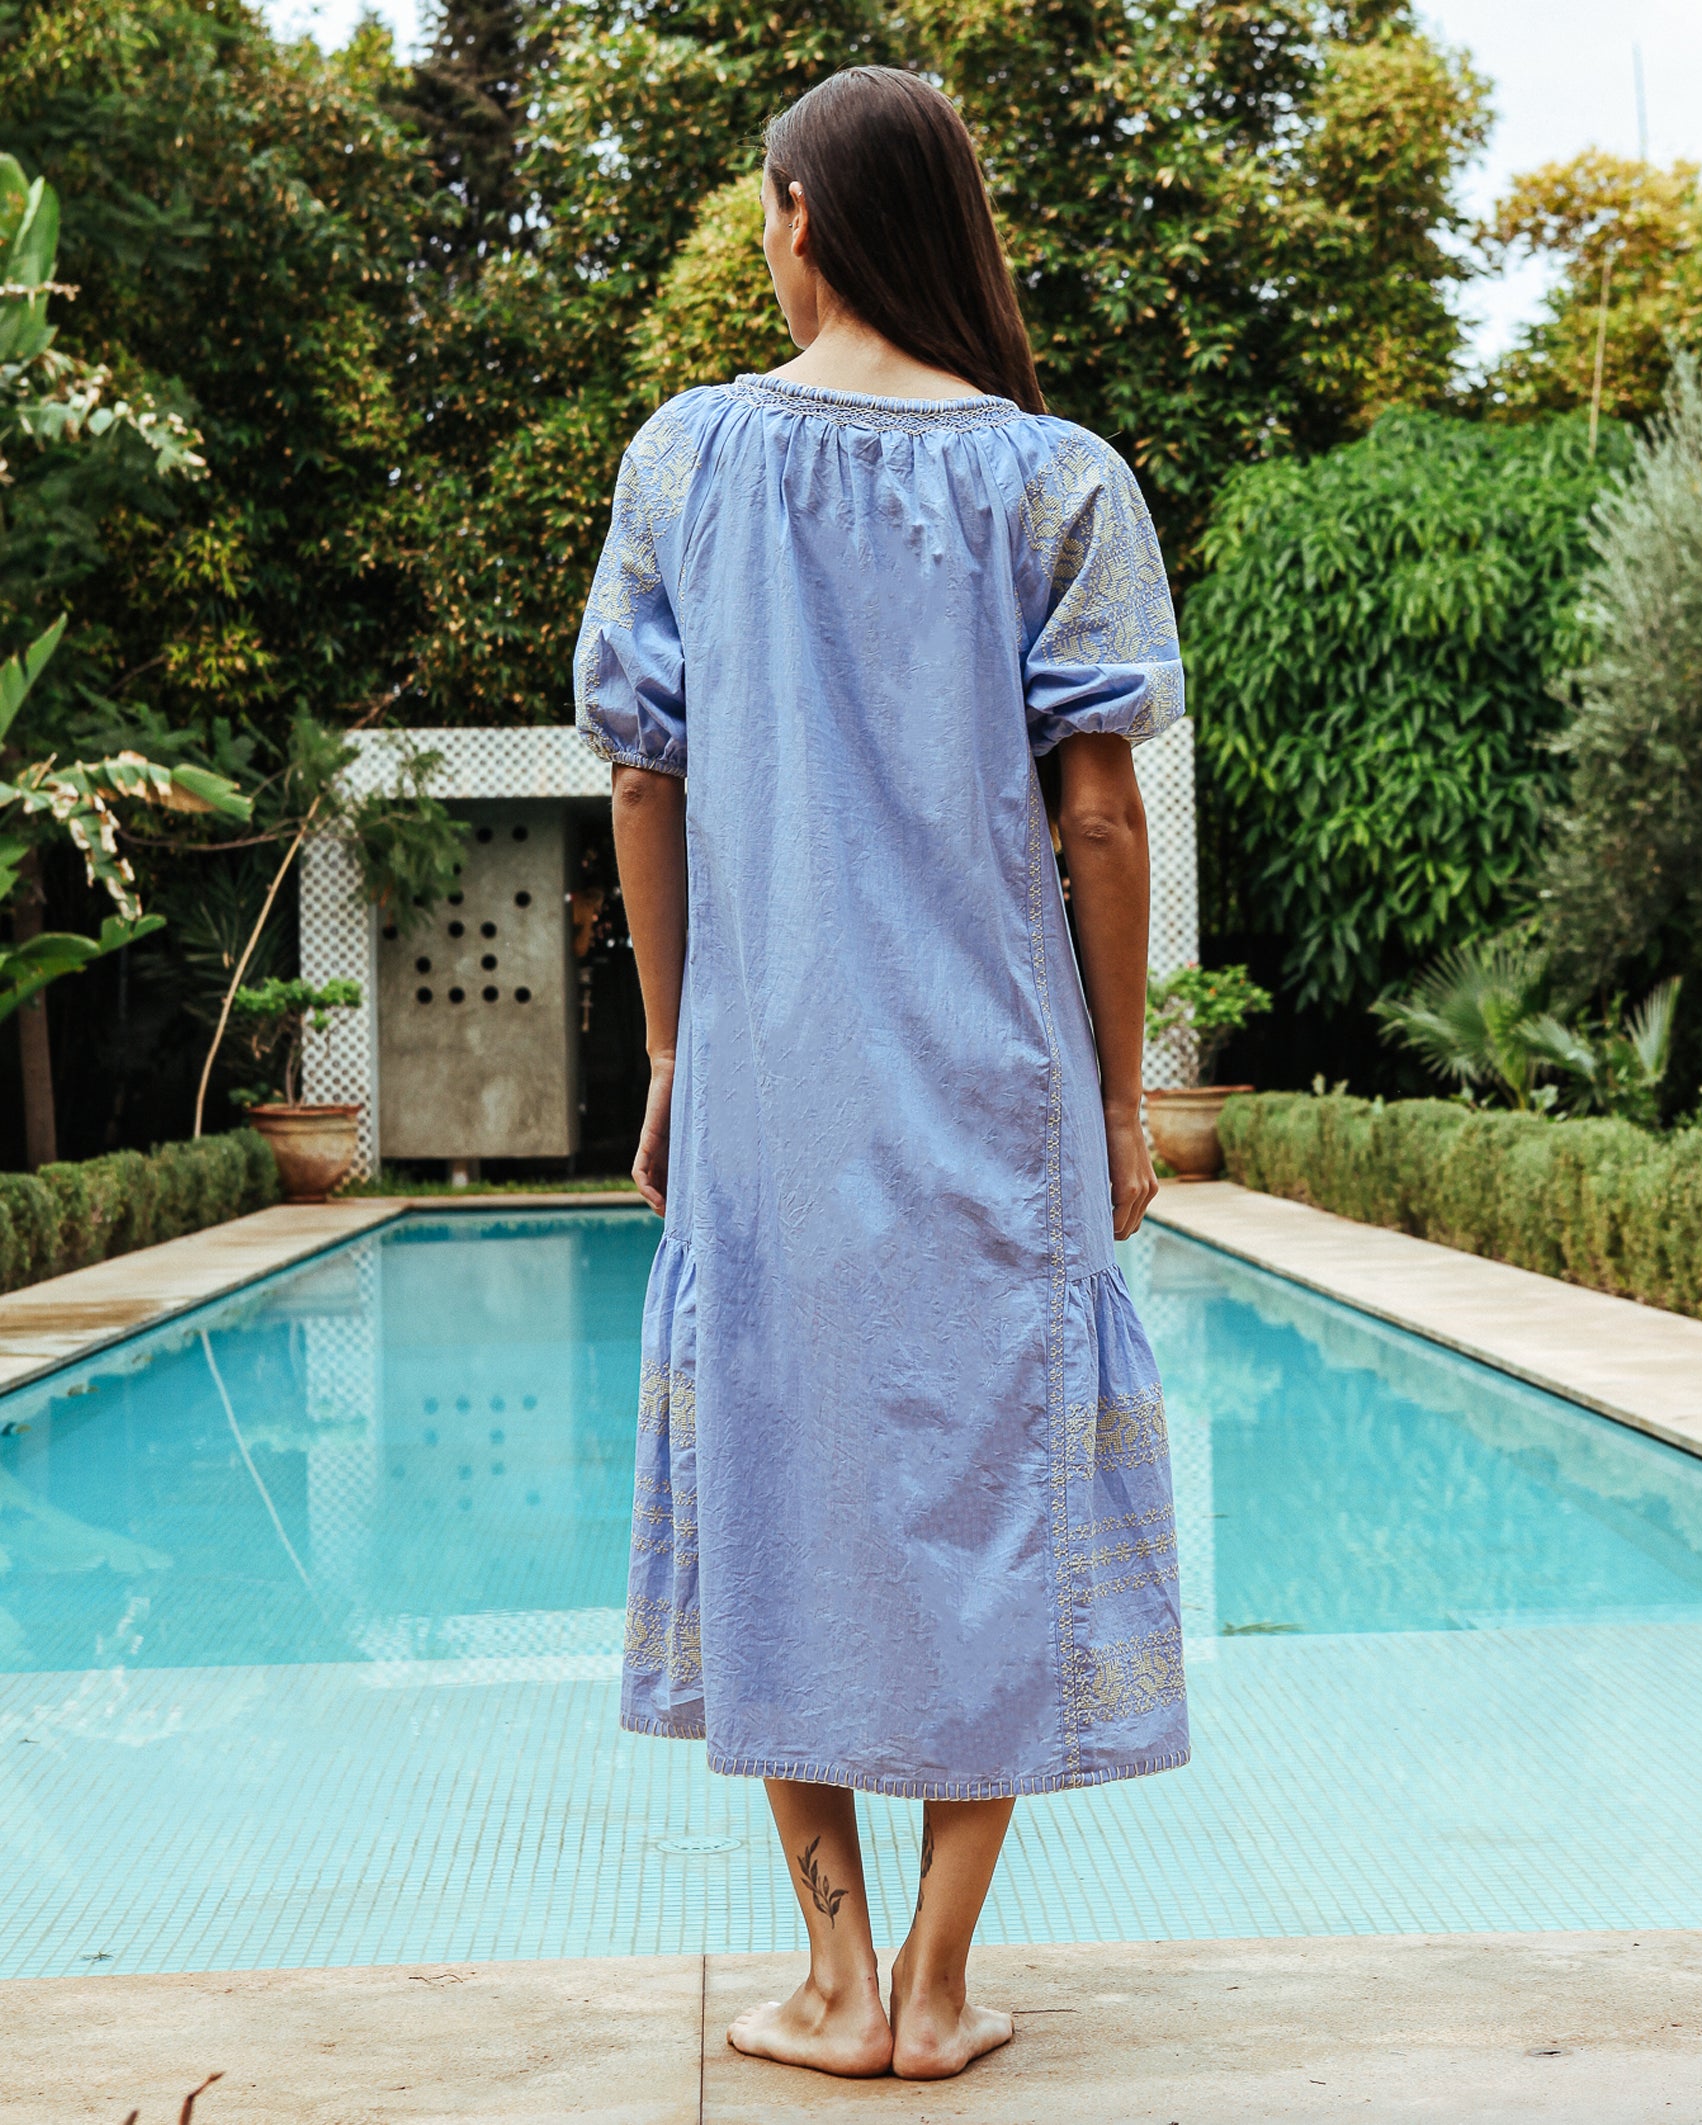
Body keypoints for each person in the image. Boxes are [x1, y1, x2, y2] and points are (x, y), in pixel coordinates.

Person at [574, 64, 1189, 2084]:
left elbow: (638, 773)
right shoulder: (1050, 478)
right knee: (998, 1483)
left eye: (764, 210)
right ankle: (935, 1983)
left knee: (772, 1476)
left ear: (800, 214)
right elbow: (1100, 820)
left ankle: (826, 1972)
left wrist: (669, 1049)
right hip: (991, 1086)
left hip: (764, 1079)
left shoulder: (683, 461)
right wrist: (1114, 1093)